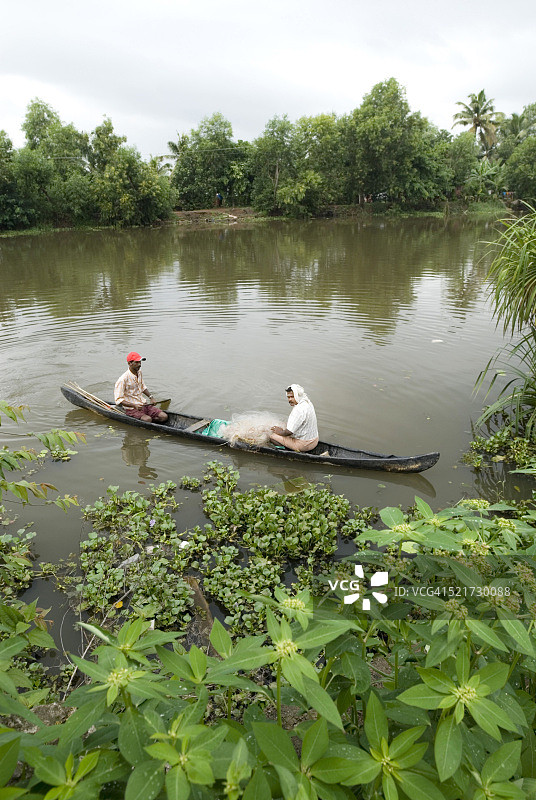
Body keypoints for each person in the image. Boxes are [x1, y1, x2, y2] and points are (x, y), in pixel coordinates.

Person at [114, 352, 168, 423]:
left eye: (140, 362)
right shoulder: (123, 379)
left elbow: (142, 387)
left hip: (143, 404)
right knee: (147, 419)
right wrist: (134, 405)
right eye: (136, 362)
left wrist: (151, 397)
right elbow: (118, 400)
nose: (139, 365)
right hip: (131, 408)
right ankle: (148, 421)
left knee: (164, 417)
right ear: (130, 363)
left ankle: (150, 421)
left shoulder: (139, 372)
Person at [270, 384, 319, 452]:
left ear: (297, 395)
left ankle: (286, 451)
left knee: (272, 437)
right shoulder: (307, 402)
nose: (289, 400)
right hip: (314, 441)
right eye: (288, 397)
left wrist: (280, 432)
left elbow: (289, 432)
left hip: (304, 445)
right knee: (284, 425)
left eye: (292, 397)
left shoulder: (298, 410)